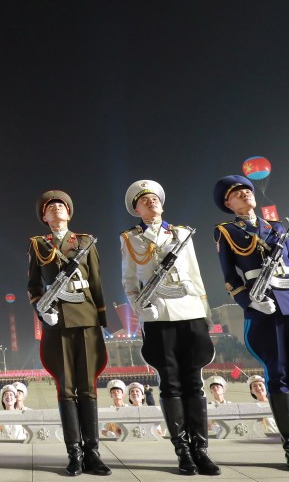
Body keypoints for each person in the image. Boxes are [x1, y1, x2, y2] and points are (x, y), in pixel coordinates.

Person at [214, 175, 289, 473]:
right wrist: (249, 302)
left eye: (247, 190)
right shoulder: (226, 231)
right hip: (264, 306)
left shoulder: (277, 228)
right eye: (237, 194)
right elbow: (230, 276)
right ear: (228, 204)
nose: (245, 195)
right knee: (278, 376)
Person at [120, 179, 219, 475]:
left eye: (155, 199)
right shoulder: (130, 239)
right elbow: (128, 282)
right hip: (158, 316)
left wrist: (205, 313)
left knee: (194, 382)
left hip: (189, 311)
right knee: (170, 384)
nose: (152, 203)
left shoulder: (183, 234)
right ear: (136, 209)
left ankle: (201, 449)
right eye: (144, 200)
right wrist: (140, 308)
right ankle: (182, 451)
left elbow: (196, 275)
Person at [28, 190, 111, 476]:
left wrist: (101, 317)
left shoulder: (85, 242)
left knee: (87, 387)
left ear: (69, 212)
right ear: (44, 217)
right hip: (57, 320)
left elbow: (96, 280)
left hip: (85, 316)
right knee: (65, 388)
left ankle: (93, 452)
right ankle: (73, 453)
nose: (55, 209)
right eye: (50, 208)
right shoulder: (38, 245)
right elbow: (33, 285)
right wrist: (42, 310)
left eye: (60, 205)